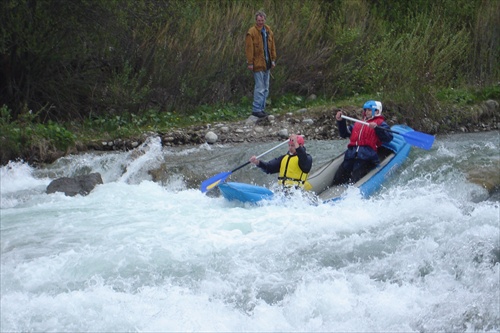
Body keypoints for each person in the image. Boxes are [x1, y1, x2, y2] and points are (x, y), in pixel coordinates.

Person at [332, 100, 393, 185]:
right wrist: (341, 121)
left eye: (369, 110)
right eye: (366, 110)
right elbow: (344, 134)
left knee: (355, 179)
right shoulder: (358, 124)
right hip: (351, 156)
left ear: (377, 111)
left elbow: (388, 138)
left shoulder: (380, 124)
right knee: (338, 178)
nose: (366, 112)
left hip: (366, 157)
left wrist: (377, 128)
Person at [245, 10, 276, 119]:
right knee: (259, 87)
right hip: (257, 64)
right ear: (255, 20)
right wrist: (250, 63)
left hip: (267, 63)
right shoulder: (251, 32)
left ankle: (262, 109)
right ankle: (256, 109)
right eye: (258, 20)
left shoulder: (269, 31)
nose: (260, 22)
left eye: (262, 20)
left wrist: (273, 60)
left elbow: (272, 47)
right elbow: (249, 49)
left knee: (266, 87)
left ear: (265, 20)